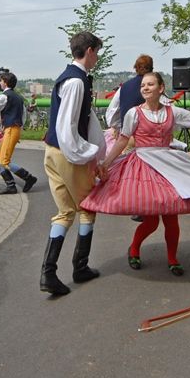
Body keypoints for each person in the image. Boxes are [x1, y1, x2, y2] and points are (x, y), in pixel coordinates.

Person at [83, 72, 190, 275]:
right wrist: (106, 162)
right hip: (143, 165)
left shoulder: (172, 112)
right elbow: (123, 140)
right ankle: (134, 249)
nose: (145, 88)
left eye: (150, 84)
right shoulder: (134, 113)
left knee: (171, 217)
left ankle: (173, 258)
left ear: (161, 88)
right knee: (151, 220)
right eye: (143, 85)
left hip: (169, 164)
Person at [39, 31, 106, 297]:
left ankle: (49, 274)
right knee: (88, 207)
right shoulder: (77, 82)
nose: (97, 58)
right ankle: (80, 266)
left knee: (66, 211)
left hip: (53, 152)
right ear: (89, 51)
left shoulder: (69, 78)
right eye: (97, 52)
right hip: (69, 154)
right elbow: (68, 126)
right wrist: (89, 155)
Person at [0, 72, 38, 194]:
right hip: (13, 130)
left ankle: (29, 178)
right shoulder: (18, 97)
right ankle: (11, 185)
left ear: (5, 82)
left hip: (10, 130)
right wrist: (18, 128)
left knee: (4, 160)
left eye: (1, 81)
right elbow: (23, 116)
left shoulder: (3, 96)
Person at [104, 54, 153, 133]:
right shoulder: (156, 88)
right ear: (152, 69)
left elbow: (112, 115)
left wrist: (120, 126)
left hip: (127, 136)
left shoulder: (123, 87)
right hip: (151, 135)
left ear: (136, 68)